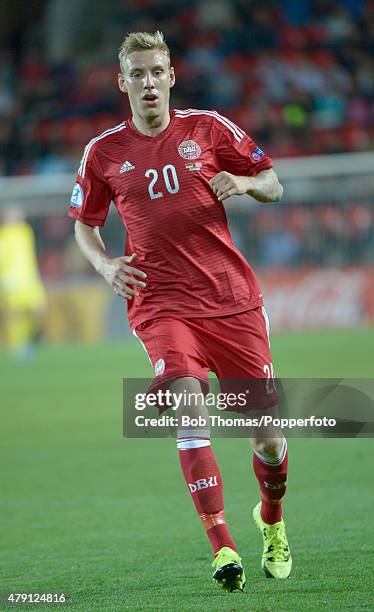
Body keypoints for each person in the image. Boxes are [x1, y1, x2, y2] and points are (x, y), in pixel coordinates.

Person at [69, 31, 291, 592]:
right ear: (123, 83)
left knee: (265, 437)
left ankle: (271, 517)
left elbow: (274, 183)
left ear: (172, 76)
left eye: (157, 71)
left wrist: (242, 181)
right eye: (137, 74)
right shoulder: (104, 153)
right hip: (160, 303)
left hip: (232, 301)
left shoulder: (209, 128)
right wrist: (103, 266)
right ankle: (222, 547)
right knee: (187, 407)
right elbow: (84, 224)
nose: (148, 82)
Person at [0, 206, 46, 358]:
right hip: (13, 281)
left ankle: (30, 340)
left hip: (30, 279)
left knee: (39, 310)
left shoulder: (25, 232)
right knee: (16, 314)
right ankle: (19, 345)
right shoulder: (3, 236)